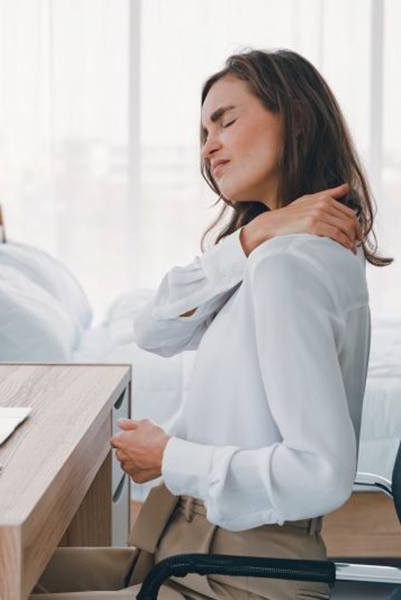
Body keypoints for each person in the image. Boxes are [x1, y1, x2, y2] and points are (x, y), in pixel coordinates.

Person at [30, 49, 392, 599]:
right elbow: (154, 329)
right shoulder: (271, 253)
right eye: (204, 131)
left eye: (226, 120)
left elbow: (321, 473)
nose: (209, 146)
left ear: (294, 115)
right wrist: (253, 234)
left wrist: (170, 457)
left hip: (238, 578)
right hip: (183, 549)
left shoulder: (288, 266)